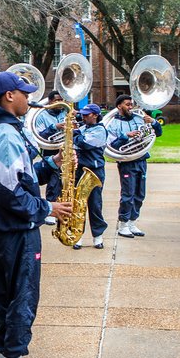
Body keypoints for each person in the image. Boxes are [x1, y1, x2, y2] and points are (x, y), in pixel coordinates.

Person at [0, 71, 73, 358]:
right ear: (9, 96)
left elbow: (15, 181)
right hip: (16, 229)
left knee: (7, 295)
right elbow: (10, 192)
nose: (29, 98)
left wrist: (52, 164)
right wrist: (47, 208)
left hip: (3, 229)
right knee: (22, 296)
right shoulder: (7, 136)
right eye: (24, 92)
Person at [104, 93, 162, 238]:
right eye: (127, 105)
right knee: (127, 194)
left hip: (141, 159)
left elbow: (158, 134)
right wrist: (126, 136)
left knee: (140, 194)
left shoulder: (139, 118)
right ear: (119, 106)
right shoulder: (112, 124)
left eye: (131, 104)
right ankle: (123, 224)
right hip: (126, 162)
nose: (131, 107)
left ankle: (132, 221)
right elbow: (111, 145)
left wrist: (153, 122)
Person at [72, 103, 108, 250]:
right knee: (77, 204)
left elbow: (84, 143)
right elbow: (73, 143)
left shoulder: (100, 130)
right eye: (83, 114)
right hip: (79, 169)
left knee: (94, 205)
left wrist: (75, 133)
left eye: (86, 114)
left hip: (94, 171)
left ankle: (97, 236)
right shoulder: (82, 129)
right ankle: (77, 234)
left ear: (95, 115)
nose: (83, 116)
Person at [33, 91, 66, 225]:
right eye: (56, 100)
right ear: (50, 101)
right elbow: (40, 135)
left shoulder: (66, 113)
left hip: (65, 149)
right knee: (53, 180)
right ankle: (50, 208)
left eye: (61, 100)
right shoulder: (42, 115)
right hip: (49, 150)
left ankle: (61, 206)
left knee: (64, 180)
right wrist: (54, 127)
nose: (59, 102)